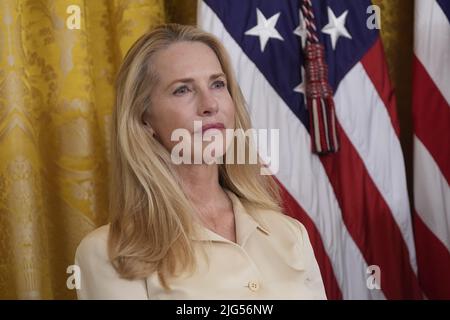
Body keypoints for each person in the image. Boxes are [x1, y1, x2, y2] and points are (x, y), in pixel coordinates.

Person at [75, 23, 327, 300]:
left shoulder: (291, 233)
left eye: (218, 84)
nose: (210, 104)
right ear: (144, 119)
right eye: (183, 90)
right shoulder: (109, 253)